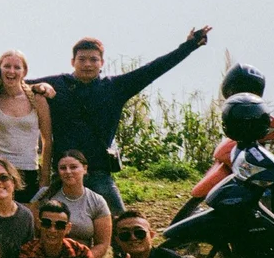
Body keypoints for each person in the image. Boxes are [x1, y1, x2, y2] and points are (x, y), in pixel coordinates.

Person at [31, 27, 212, 213]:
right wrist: (37, 86)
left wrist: (189, 46)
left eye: (93, 59)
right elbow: (15, 81)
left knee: (122, 224)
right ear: (72, 62)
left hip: (99, 173)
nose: (87, 64)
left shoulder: (115, 88)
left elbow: (153, 69)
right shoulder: (57, 84)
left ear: (101, 63)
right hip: (63, 172)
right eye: (82, 59)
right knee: (48, 222)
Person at [32, 151, 112, 258]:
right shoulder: (45, 195)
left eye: (73, 167)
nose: (68, 171)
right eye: (63, 168)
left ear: (85, 169)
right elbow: (34, 233)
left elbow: (102, 244)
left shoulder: (97, 201)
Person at [0, 50, 52, 203]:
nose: (11, 71)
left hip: (28, 167)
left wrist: (44, 177)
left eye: (17, 67)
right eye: (7, 66)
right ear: (0, 70)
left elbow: (47, 140)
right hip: (0, 167)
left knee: (26, 217)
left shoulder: (37, 99)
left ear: (24, 72)